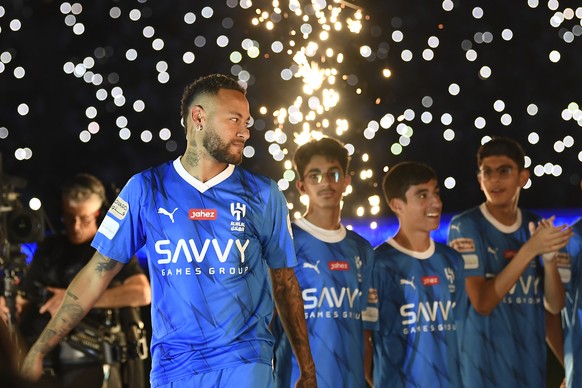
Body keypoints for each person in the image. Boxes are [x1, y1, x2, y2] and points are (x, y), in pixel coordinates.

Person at [21, 74, 316, 387]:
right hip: (172, 370)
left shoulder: (264, 194)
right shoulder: (145, 189)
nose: (245, 132)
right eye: (235, 120)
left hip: (244, 364)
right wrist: (39, 349)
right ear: (198, 117)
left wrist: (307, 369)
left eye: (247, 121)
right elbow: (97, 273)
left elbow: (285, 284)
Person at [447, 136, 572, 387]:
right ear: (479, 179)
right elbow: (482, 303)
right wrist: (529, 250)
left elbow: (554, 307)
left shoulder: (535, 225)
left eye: (504, 171)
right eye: (487, 172)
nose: (494, 179)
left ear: (523, 177)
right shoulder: (465, 226)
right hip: (481, 373)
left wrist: (548, 262)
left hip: (530, 370)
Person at [17, 173, 151, 388]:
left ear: (99, 214)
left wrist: (73, 301)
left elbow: (142, 292)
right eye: (70, 218)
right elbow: (27, 295)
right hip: (49, 364)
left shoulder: (112, 249)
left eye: (84, 218)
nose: (76, 226)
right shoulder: (50, 249)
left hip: (94, 363)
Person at [271, 136, 373, 387]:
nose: (325, 182)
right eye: (314, 176)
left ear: (346, 181)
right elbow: (268, 324)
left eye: (334, 174)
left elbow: (366, 329)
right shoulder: (283, 243)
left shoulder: (362, 249)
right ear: (302, 186)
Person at [363, 161, 465, 387]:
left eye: (435, 193)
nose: (435, 202)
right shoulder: (377, 264)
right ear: (397, 204)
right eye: (422, 195)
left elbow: (463, 337)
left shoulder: (452, 261)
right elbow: (363, 339)